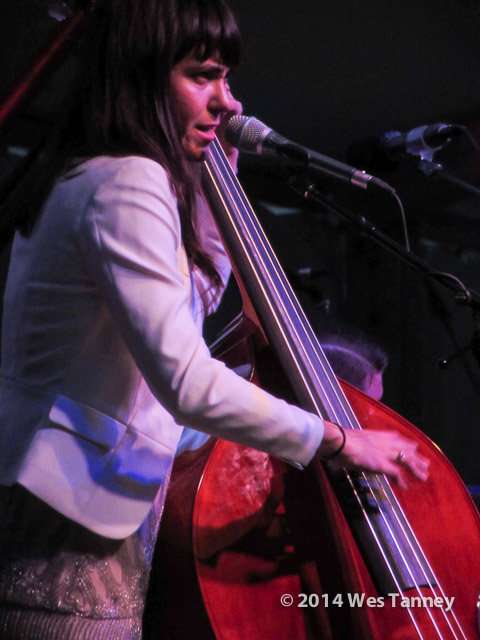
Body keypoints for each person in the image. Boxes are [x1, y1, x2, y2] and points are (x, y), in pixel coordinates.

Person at [0, 0, 429, 638]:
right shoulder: (128, 180)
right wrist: (338, 440)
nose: (228, 102)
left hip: (75, 502)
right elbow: (187, 381)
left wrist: (211, 196)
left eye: (226, 78)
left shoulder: (96, 173)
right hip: (68, 520)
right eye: (203, 75)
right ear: (143, 74)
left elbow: (182, 314)